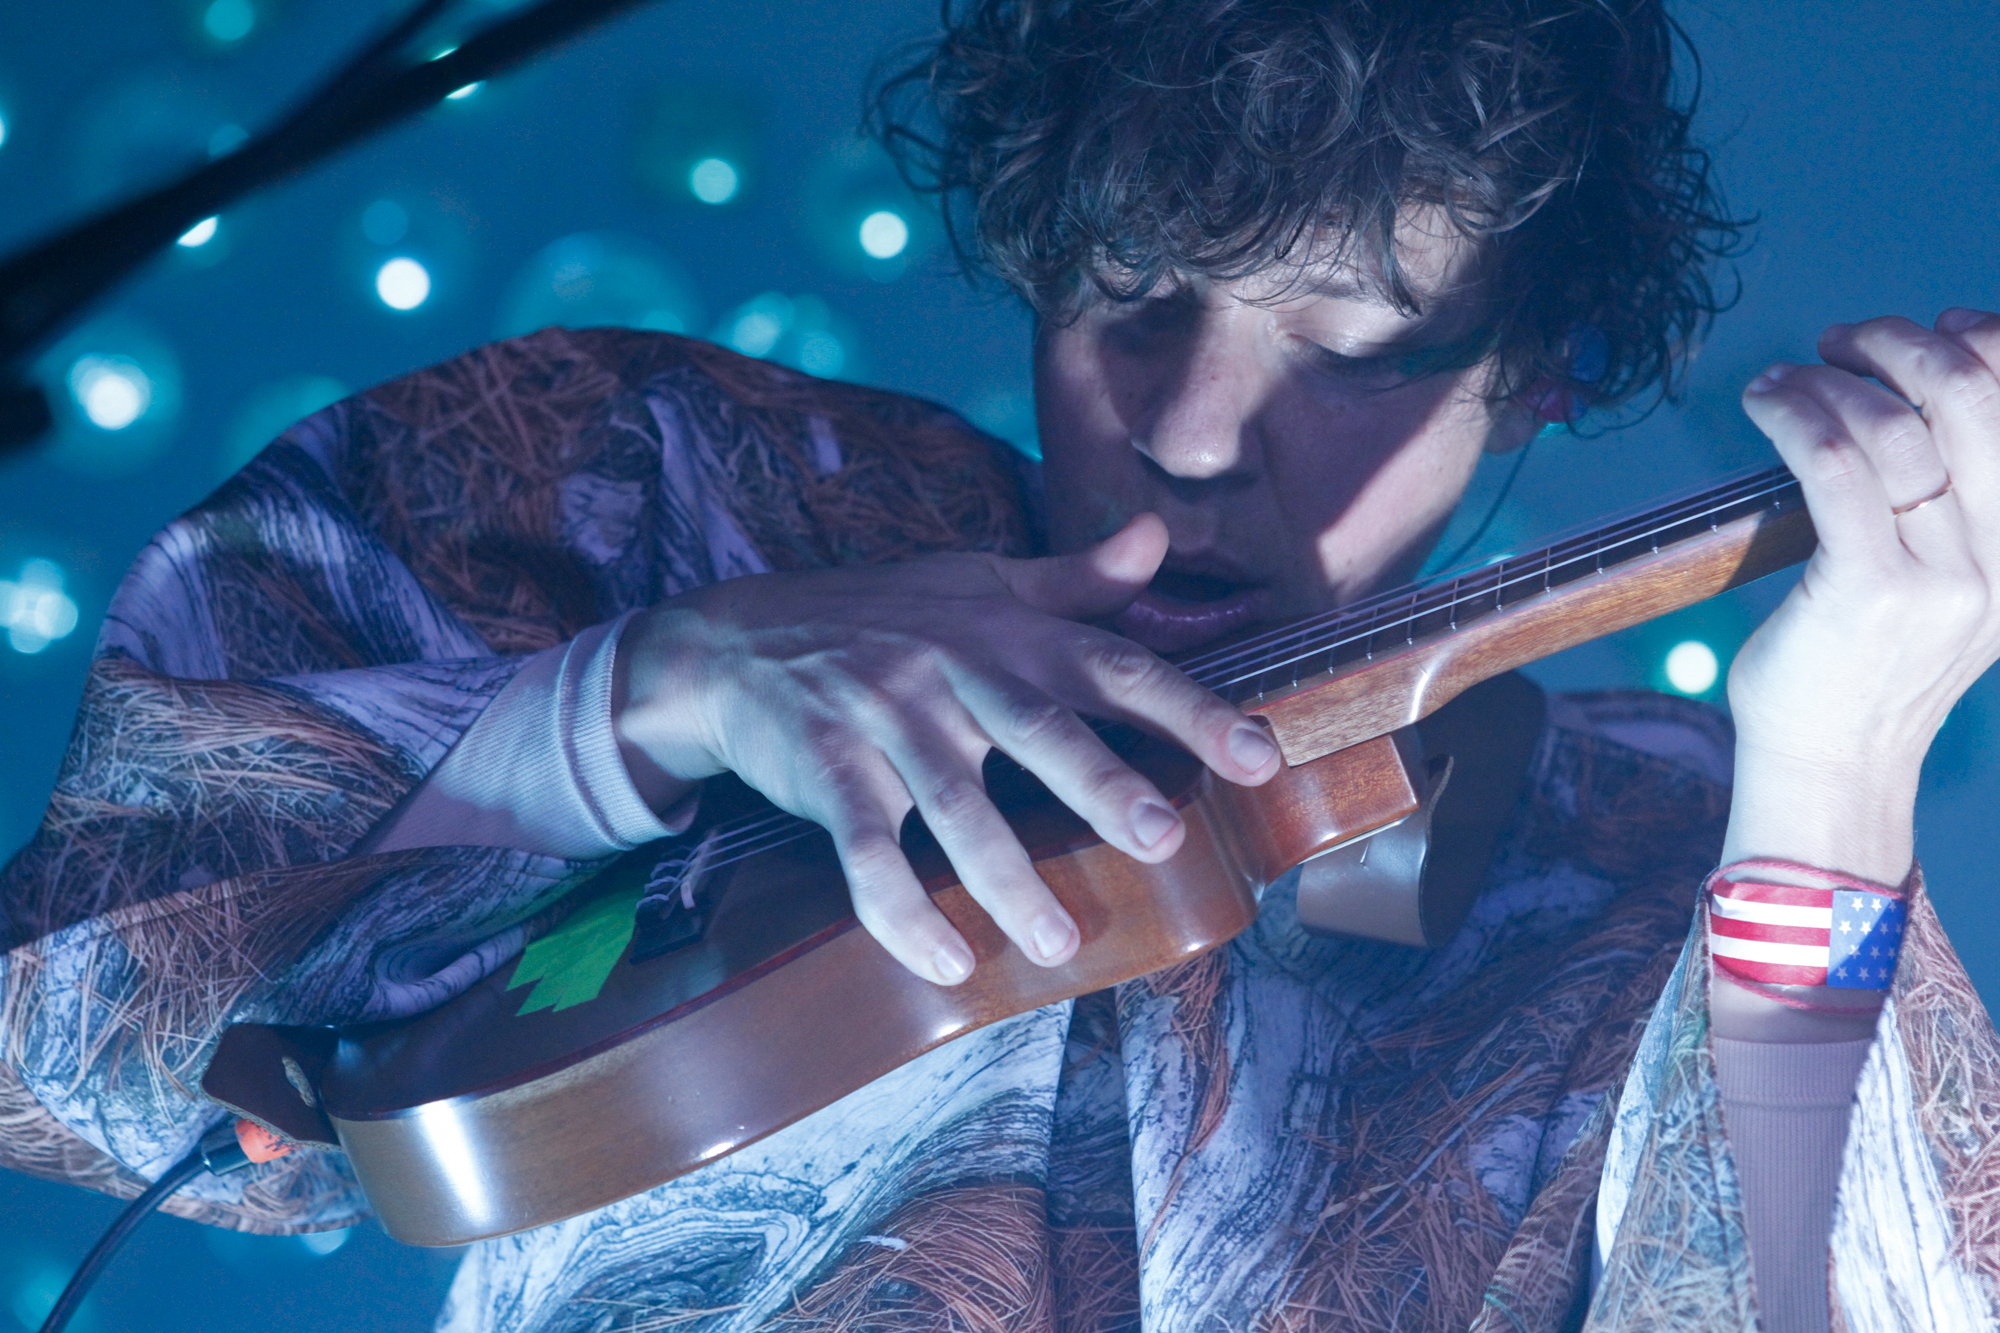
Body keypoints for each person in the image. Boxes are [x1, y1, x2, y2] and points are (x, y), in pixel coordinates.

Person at [3, 0, 1998, 1330]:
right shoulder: (662, 487)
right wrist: (641, 693)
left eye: (1359, 348)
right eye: (1129, 298)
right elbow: (77, 1066)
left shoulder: (1668, 841)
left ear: (1536, 375)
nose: (1198, 427)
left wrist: (1836, 768)